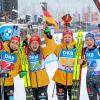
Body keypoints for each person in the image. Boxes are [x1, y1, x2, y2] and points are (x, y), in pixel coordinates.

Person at [22, 26, 56, 100]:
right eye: (32, 43)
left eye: (36, 43)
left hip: (43, 83)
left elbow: (52, 47)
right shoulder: (26, 53)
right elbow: (19, 58)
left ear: (39, 44)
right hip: (30, 84)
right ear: (30, 44)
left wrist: (47, 35)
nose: (34, 45)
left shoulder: (43, 52)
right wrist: (22, 46)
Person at [0, 36, 21, 100]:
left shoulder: (17, 56)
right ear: (9, 42)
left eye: (16, 43)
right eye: (13, 42)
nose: (14, 45)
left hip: (9, 84)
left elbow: (16, 70)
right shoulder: (2, 50)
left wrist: (8, 74)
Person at [84, 32, 100, 100]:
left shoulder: (98, 49)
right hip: (89, 80)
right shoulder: (84, 50)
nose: (89, 42)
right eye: (87, 40)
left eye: (91, 39)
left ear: (94, 41)